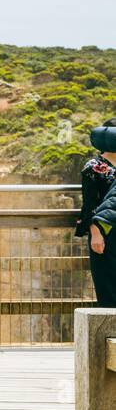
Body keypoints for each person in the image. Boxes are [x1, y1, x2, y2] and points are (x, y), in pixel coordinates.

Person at [79, 119, 116, 306]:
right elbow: (89, 204)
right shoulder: (94, 166)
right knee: (108, 288)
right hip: (105, 233)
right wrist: (95, 233)